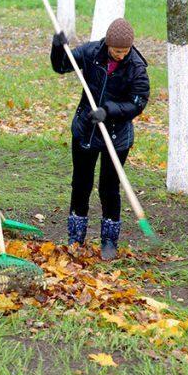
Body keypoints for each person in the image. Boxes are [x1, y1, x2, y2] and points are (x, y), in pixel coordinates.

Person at [51, 18, 150, 260]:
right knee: (81, 183)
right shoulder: (91, 52)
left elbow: (137, 103)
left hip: (117, 138)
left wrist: (108, 111)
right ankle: (76, 237)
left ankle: (109, 240)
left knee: (109, 188)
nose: (120, 55)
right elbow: (62, 65)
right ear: (107, 44)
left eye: (124, 51)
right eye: (116, 51)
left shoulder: (136, 67)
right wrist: (57, 47)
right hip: (86, 130)